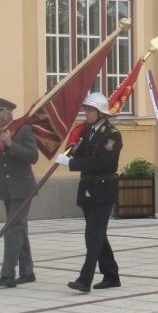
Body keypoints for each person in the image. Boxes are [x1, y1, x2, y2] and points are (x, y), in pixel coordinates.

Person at [55, 92, 123, 293]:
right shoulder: (87, 131)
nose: (86, 112)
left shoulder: (112, 134)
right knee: (98, 234)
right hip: (87, 189)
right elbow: (83, 152)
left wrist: (72, 163)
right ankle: (112, 275)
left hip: (103, 189)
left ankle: (85, 280)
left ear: (101, 112)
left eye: (90, 109)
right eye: (86, 108)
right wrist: (73, 151)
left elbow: (102, 162)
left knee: (92, 235)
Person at [0, 97, 39, 288]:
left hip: (23, 188)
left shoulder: (22, 130)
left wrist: (11, 144)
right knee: (19, 229)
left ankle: (7, 274)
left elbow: (32, 156)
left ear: (8, 113)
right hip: (6, 188)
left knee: (12, 229)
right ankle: (27, 272)